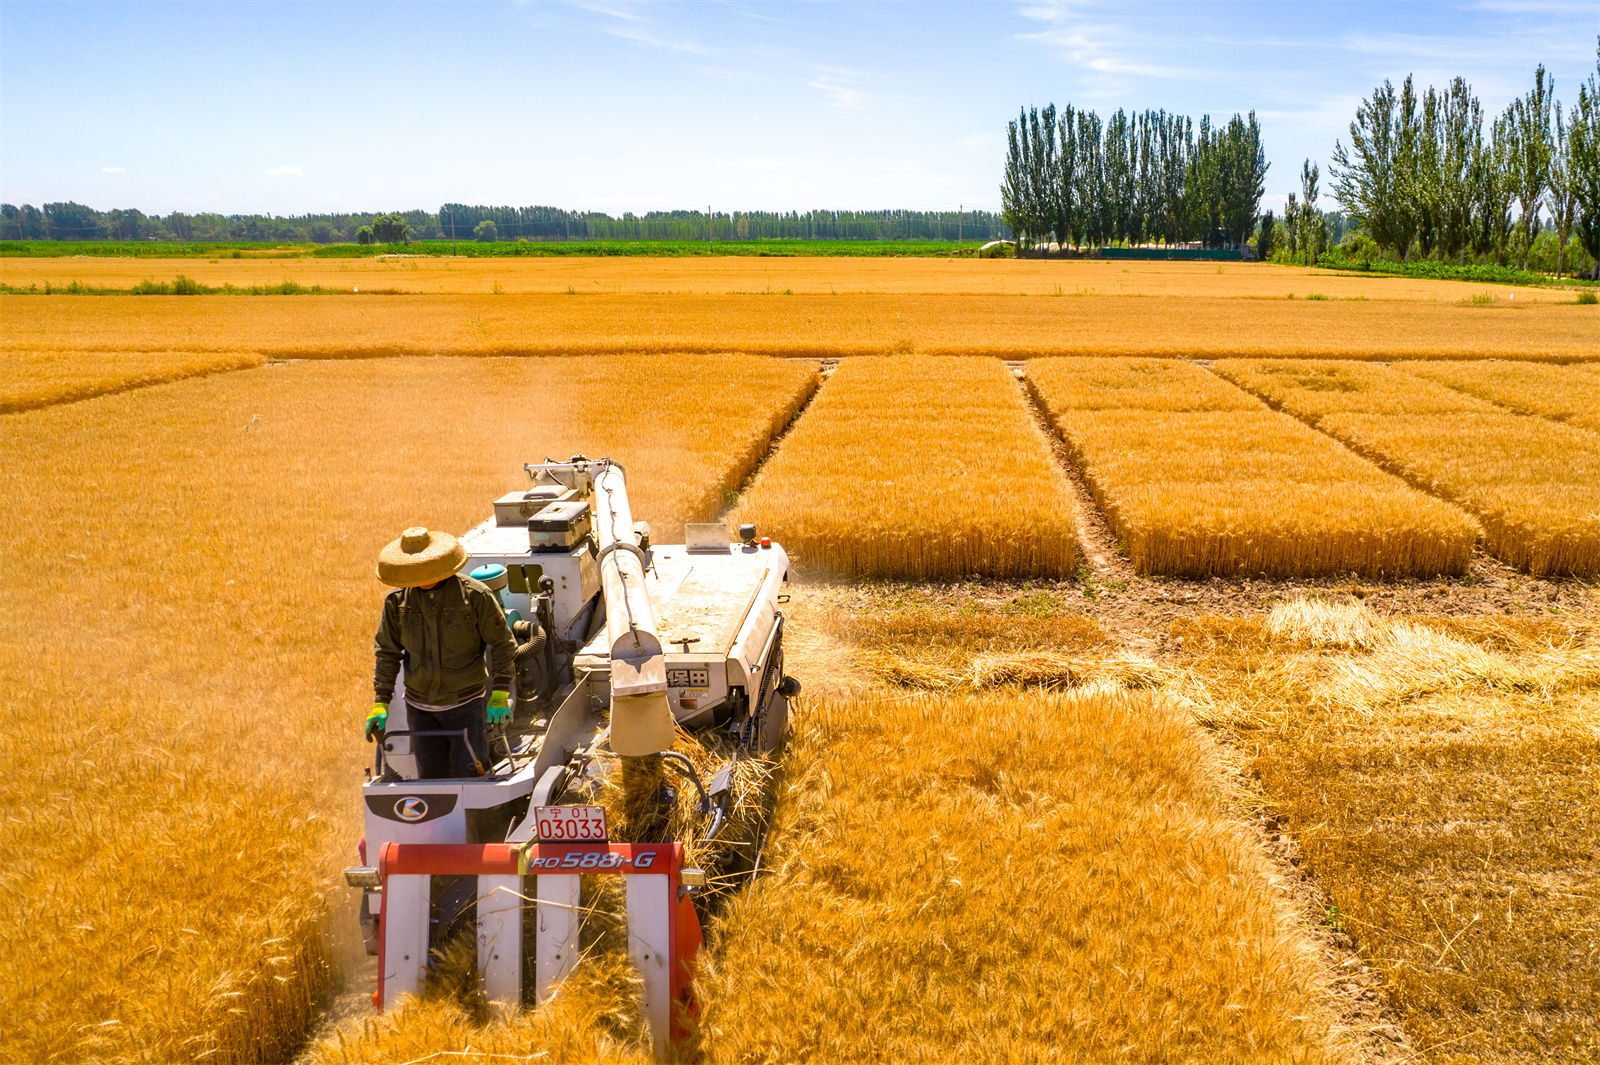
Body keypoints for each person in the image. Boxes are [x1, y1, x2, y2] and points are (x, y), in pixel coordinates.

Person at [368, 526, 517, 779]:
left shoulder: (475, 596)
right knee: (430, 779)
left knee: (470, 775)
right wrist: (381, 702)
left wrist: (501, 690)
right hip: (419, 711)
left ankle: (479, 820)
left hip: (466, 706)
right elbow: (387, 652)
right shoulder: (396, 602)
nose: (421, 576)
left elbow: (503, 644)